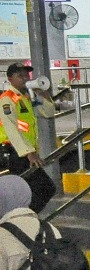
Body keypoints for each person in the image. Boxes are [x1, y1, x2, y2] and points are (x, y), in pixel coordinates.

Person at [0, 62, 56, 211]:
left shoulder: (26, 97)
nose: (25, 78)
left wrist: (43, 94)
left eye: (27, 75)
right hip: (13, 153)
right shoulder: (7, 99)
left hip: (23, 153)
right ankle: (23, 220)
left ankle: (22, 220)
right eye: (20, 76)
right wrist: (29, 153)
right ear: (10, 79)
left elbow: (49, 112)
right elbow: (11, 127)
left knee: (39, 189)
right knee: (45, 188)